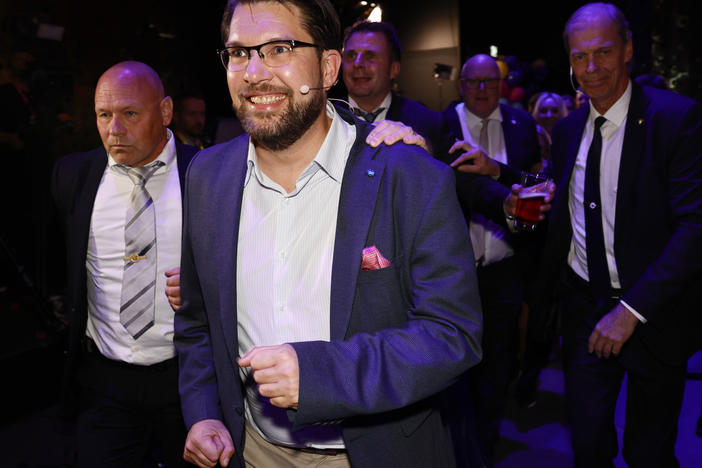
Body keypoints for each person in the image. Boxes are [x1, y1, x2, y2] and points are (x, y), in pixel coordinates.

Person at [174, 1, 484, 467]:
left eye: (279, 48)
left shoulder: (409, 175)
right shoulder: (206, 176)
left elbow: (453, 334)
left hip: (373, 454)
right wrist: (203, 413)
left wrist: (321, 376)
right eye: (239, 53)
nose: (254, 72)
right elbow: (197, 322)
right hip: (251, 450)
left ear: (328, 66)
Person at [532, 3, 702, 467]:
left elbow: (695, 228)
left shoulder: (676, 120)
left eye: (603, 52)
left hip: (652, 313)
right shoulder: (567, 130)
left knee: (650, 452)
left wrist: (632, 310)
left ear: (628, 50)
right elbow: (563, 197)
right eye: (580, 56)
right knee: (588, 446)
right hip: (584, 308)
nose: (591, 68)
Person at [51, 61, 198, 468]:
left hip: (187, 379)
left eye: (130, 114)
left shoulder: (206, 174)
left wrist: (206, 287)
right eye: (104, 115)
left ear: (165, 112)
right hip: (104, 382)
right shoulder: (73, 176)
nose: (114, 129)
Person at [442, 53, 541, 467]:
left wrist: (497, 170)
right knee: (452, 370)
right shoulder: (439, 124)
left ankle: (483, 450)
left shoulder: (522, 126)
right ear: (461, 85)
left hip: (503, 272)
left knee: (497, 368)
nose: (482, 89)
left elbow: (537, 187)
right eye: (474, 82)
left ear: (501, 86)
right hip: (452, 276)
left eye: (490, 82)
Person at [340, 21, 451, 157]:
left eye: (370, 56)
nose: (358, 63)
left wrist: (426, 160)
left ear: (394, 69)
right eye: (351, 55)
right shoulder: (323, 119)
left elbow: (456, 174)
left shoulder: (429, 124)